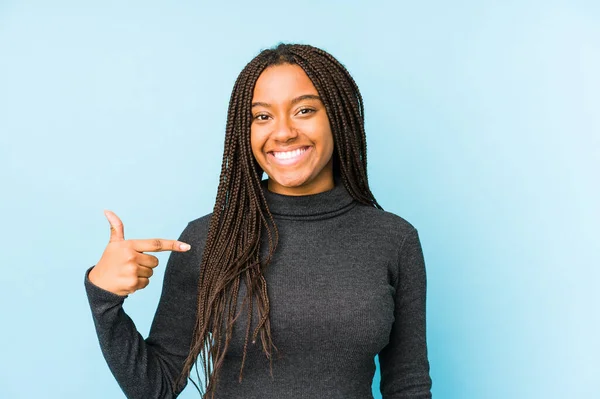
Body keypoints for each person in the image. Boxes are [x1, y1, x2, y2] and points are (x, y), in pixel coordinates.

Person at [84, 43, 433, 399]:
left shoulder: (393, 240)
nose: (282, 132)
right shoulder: (207, 239)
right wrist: (103, 298)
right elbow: (155, 388)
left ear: (338, 117)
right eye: (262, 116)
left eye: (304, 110)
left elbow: (408, 384)